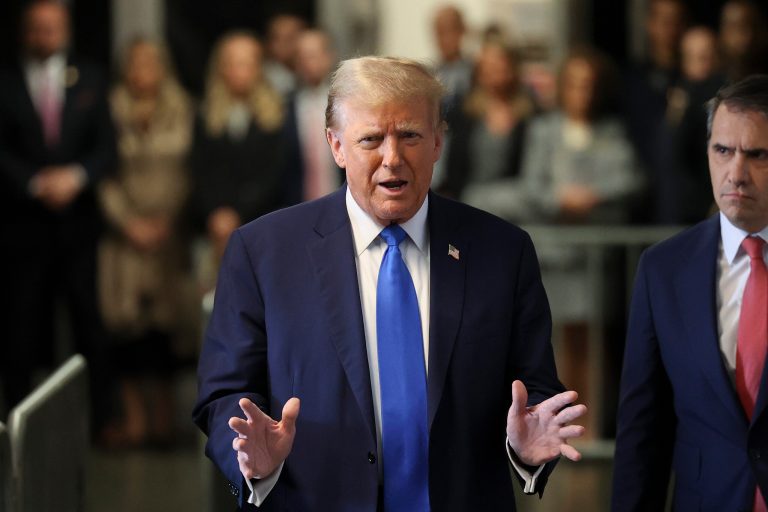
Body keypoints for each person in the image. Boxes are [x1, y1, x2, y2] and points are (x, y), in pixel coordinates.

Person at [194, 56, 586, 511]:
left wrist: (524, 453)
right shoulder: (262, 252)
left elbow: (535, 393)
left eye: (410, 135)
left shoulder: (503, 251)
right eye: (371, 140)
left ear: (438, 140)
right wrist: (251, 462)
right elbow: (223, 394)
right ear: (336, 146)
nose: (392, 158)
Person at [612, 75, 768, 511]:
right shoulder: (664, 269)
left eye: (757, 154)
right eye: (723, 151)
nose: (736, 173)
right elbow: (643, 429)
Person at [0, 0, 116, 419]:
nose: (43, 37)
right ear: (23, 31)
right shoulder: (7, 80)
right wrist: (33, 183)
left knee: (89, 320)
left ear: (65, 30)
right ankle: (16, 418)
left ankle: (102, 417)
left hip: (78, 224)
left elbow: (107, 147)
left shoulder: (90, 77)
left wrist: (76, 177)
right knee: (21, 324)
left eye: (52, 28)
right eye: (36, 28)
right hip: (23, 227)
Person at [98, 37, 196, 448]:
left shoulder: (181, 106)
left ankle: (165, 422)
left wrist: (166, 220)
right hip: (124, 238)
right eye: (136, 64)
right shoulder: (111, 108)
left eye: (150, 63)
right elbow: (103, 171)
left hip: (168, 235)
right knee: (127, 329)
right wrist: (129, 223)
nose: (143, 72)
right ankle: (135, 421)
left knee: (167, 328)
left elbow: (190, 170)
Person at [188, 31, 286, 290]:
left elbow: (273, 175)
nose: (240, 71)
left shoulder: (276, 115)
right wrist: (216, 213)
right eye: (233, 63)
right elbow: (200, 170)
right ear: (221, 67)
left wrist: (238, 214)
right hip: (214, 231)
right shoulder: (204, 114)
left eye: (247, 63)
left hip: (263, 225)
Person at [282, 28, 342, 205]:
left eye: (316, 55)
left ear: (329, 56)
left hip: (341, 200)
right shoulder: (285, 107)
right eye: (304, 56)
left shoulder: (346, 103)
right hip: (298, 204)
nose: (310, 63)